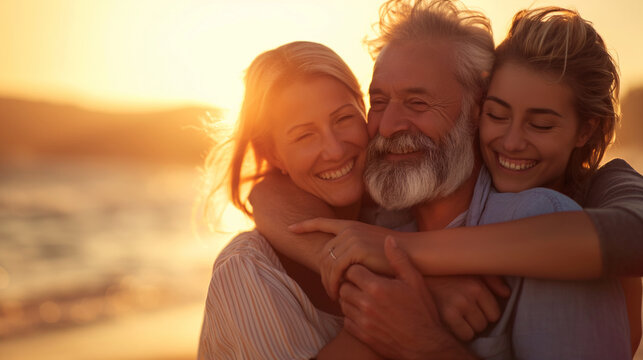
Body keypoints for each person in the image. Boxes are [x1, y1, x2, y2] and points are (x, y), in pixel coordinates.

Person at [250, 1, 636, 358]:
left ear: (476, 109)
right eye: (378, 101)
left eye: (418, 103)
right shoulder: (378, 213)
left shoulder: (547, 219)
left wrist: (426, 342)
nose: (388, 125)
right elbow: (270, 191)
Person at [197, 41, 387, 359]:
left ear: (363, 110)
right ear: (272, 154)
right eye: (304, 135)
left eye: (343, 119)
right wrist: (400, 312)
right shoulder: (248, 271)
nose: (335, 150)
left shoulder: (395, 217)